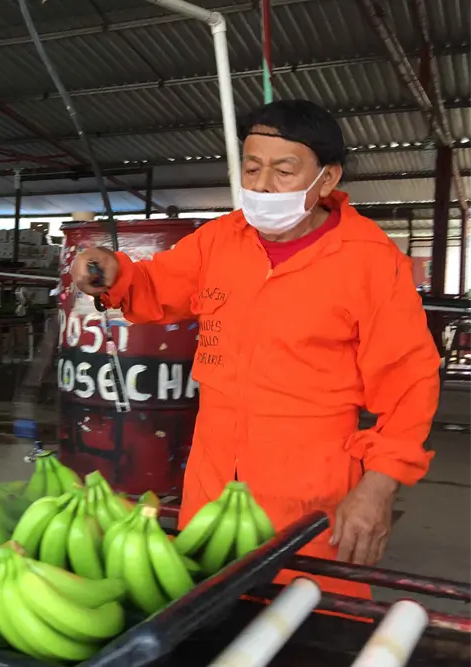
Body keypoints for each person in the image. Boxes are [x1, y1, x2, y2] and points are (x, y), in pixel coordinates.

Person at [70, 100, 439, 599]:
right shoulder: (221, 239)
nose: (263, 185)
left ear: (326, 180)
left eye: (284, 171)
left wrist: (378, 487)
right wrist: (113, 272)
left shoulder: (372, 262)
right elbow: (157, 285)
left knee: (305, 612)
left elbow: (408, 383)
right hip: (214, 468)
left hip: (310, 481)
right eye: (252, 167)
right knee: (209, 606)